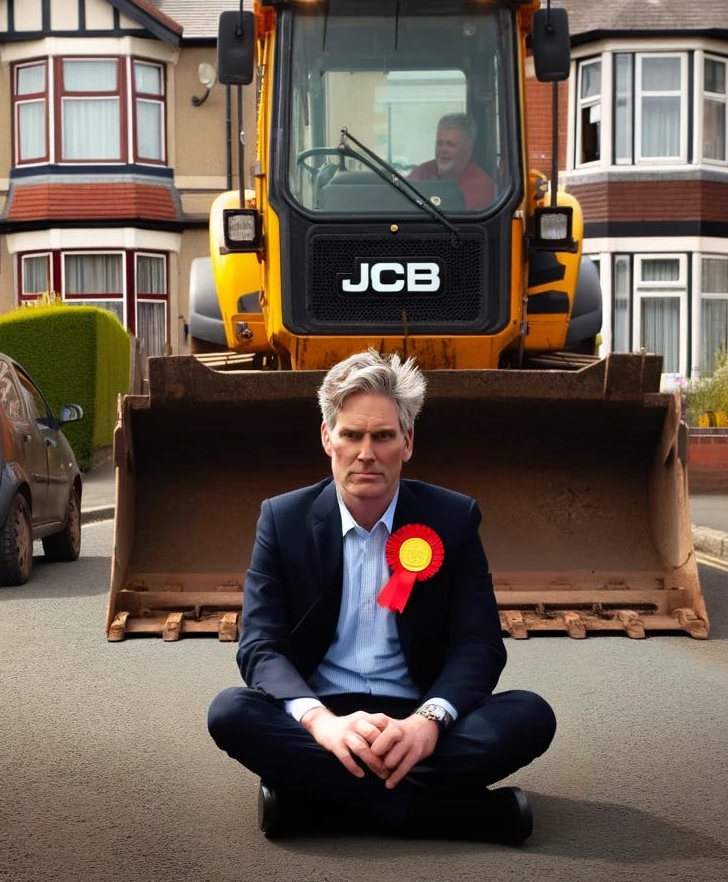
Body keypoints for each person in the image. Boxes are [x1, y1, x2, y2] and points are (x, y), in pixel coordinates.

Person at [207, 348, 556, 844]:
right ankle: (466, 817)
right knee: (231, 713)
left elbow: (479, 646)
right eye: (351, 434)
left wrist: (427, 723)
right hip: (327, 717)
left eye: (383, 436)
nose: (366, 452)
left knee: (531, 715)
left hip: (419, 715)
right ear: (327, 438)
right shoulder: (281, 520)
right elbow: (260, 646)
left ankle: (313, 806)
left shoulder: (453, 519)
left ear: (407, 442)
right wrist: (322, 724)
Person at [408, 112, 495, 210]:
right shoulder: (421, 173)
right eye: (439, 143)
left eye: (450, 144)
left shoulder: (481, 186)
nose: (443, 150)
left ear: (468, 149)